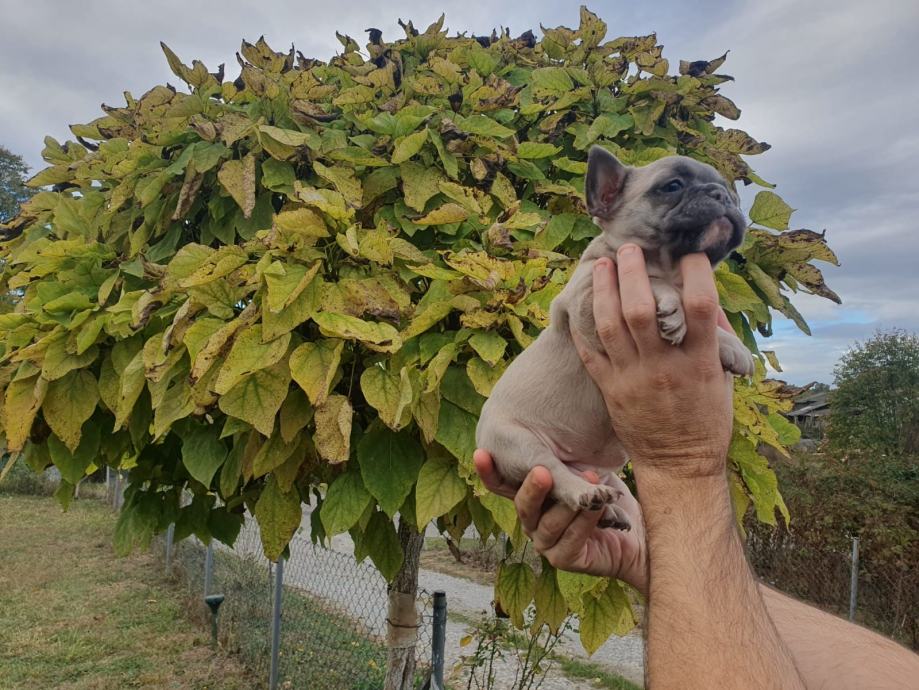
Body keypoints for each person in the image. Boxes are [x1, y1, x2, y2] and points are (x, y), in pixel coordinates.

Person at [474, 245, 919, 689]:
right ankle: (570, 483)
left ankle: (577, 485)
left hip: (588, 457)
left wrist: (669, 509)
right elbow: (582, 313)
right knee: (527, 451)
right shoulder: (603, 268)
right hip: (523, 427)